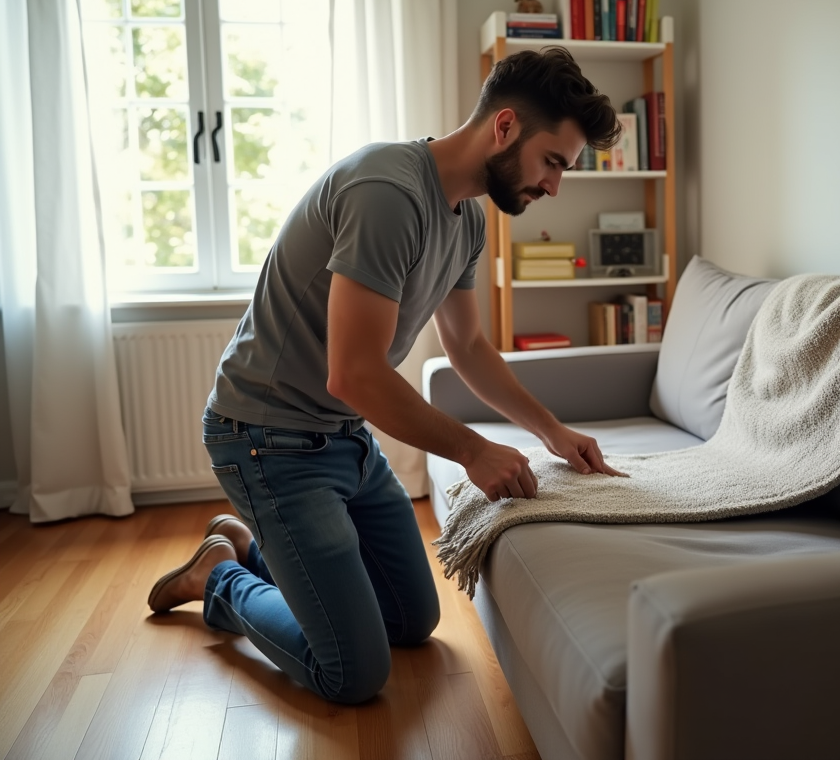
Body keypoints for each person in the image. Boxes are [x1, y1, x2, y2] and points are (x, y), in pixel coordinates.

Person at [145, 47, 625, 704]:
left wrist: (552, 432)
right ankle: (220, 579)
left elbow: (468, 347)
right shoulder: (387, 193)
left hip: (344, 436)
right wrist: (472, 450)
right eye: (553, 162)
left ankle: (247, 551)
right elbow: (354, 374)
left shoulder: (468, 218)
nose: (554, 186)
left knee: (410, 619)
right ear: (505, 127)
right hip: (265, 438)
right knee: (352, 672)